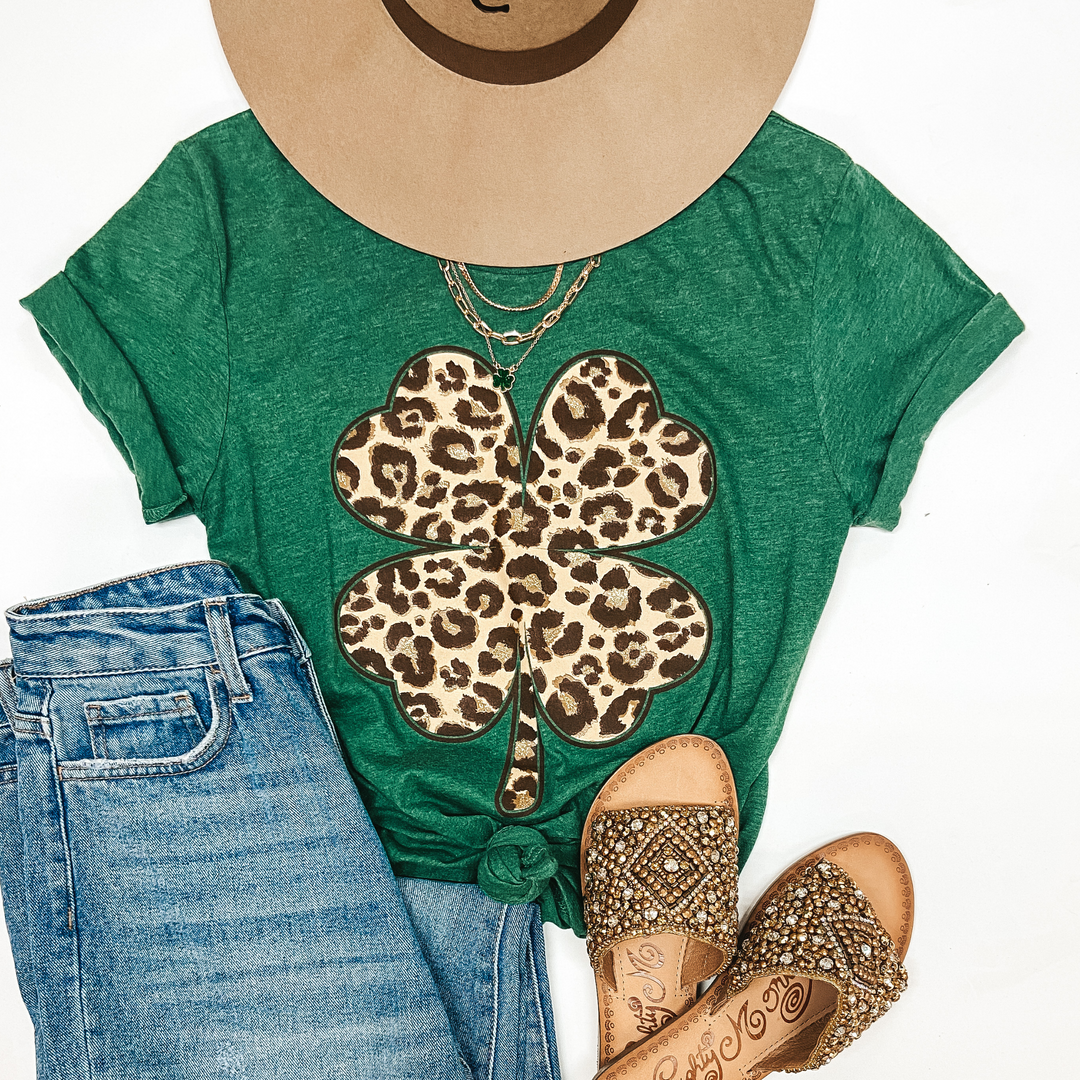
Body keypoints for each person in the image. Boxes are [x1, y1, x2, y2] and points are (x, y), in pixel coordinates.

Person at [3, 2, 1050, 1078]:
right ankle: (678, 1041)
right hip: (367, 858)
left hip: (390, 862)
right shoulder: (231, 211)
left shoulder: (804, 225)